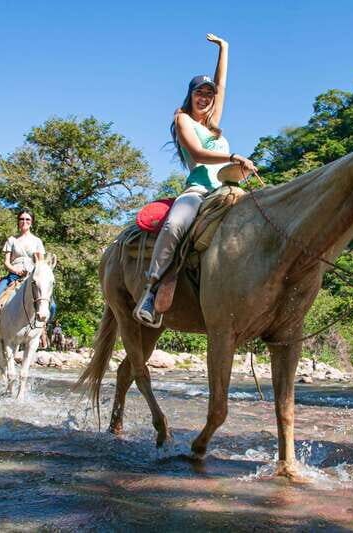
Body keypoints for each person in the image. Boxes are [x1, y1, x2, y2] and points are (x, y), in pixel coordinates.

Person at [135, 33, 257, 327]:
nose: (205, 98)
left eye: (209, 94)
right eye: (199, 93)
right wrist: (233, 158)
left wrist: (225, 49)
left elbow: (222, 84)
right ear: (190, 96)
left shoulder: (214, 126)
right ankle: (151, 290)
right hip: (199, 190)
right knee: (176, 224)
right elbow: (198, 154)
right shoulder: (183, 120)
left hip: (230, 190)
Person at [0, 209, 51, 345]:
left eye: (27, 219)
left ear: (32, 222)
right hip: (13, 276)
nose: (24, 222)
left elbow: (41, 263)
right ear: (18, 221)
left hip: (32, 277)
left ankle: (42, 329)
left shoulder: (37, 241)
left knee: (53, 305)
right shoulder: (11, 240)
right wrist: (14, 270)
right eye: (22, 219)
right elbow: (6, 262)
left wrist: (34, 272)